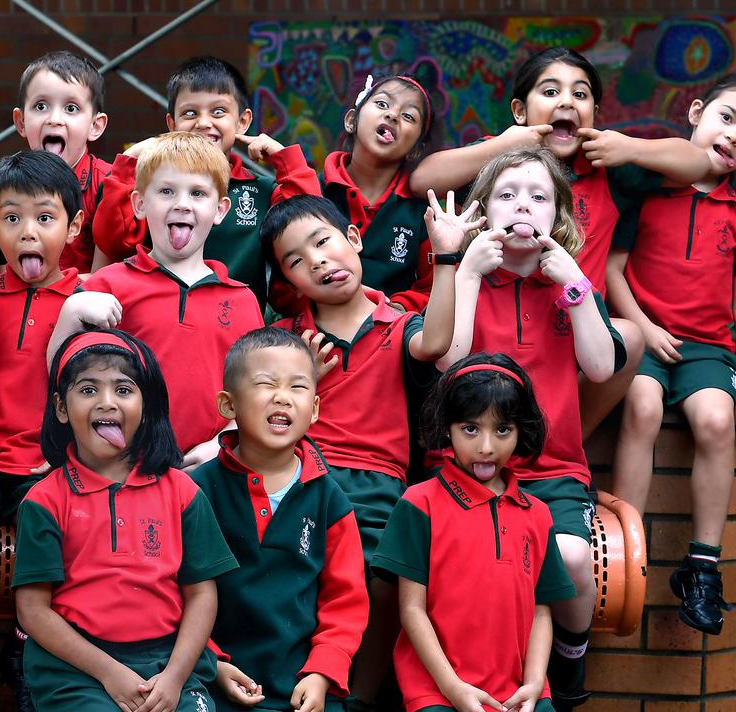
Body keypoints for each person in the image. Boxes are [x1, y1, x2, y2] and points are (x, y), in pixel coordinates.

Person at [411, 46, 712, 438]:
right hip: (490, 327)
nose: (567, 101)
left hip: (568, 330)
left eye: (581, 94)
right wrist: (504, 146)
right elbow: (422, 180)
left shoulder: (607, 168)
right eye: (551, 92)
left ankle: (567, 441)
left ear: (595, 115)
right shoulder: (502, 166)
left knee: (630, 337)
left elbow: (698, 164)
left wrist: (629, 147)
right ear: (520, 111)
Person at [262, 192, 473, 709]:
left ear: (353, 239)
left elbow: (439, 342)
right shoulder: (287, 341)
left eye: (323, 242)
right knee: (291, 571)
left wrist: (446, 257)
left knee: (385, 581)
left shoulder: (400, 324)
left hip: (379, 486)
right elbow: (260, 419)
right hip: (304, 477)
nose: (317, 261)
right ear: (290, 284)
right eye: (297, 261)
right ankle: (287, 688)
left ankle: (358, 698)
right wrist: (301, 379)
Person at [438, 147, 626, 710]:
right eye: (508, 194)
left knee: (571, 557)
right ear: (484, 210)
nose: (523, 205)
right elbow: (449, 359)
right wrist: (467, 269)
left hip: (554, 469)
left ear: (558, 217)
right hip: (469, 466)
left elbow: (600, 367)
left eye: (539, 196)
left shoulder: (567, 285)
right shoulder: (467, 276)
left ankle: (569, 661)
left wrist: (575, 284)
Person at [607, 72, 736, 635]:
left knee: (713, 419)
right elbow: (611, 268)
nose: (734, 138)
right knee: (643, 408)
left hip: (708, 349)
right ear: (696, 112)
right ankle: (623, 545)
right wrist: (641, 325)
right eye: (727, 119)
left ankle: (703, 566)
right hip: (647, 340)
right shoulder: (648, 189)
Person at [14, 329, 238, 711]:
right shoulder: (44, 500)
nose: (107, 403)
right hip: (76, 671)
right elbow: (33, 611)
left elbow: (201, 594)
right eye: (88, 390)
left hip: (169, 664)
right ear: (61, 408)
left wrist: (175, 677)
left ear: (146, 405)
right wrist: (109, 673)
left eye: (123, 389)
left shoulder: (183, 493)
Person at [0, 150, 86, 710]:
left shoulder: (90, 301)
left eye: (44, 218)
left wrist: (63, 455)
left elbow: (96, 396)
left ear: (74, 226)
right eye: (11, 218)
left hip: (47, 465)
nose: (27, 232)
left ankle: (33, 652)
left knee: (46, 520)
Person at [372, 353, 575, 712]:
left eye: (502, 430)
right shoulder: (420, 503)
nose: (486, 446)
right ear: (447, 427)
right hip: (438, 693)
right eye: (470, 428)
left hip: (520, 695)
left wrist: (533, 684)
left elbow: (542, 610)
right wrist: (453, 689)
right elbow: (412, 611)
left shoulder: (539, 515)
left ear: (520, 431)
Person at [51, 131, 264, 472]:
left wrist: (225, 440)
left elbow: (257, 390)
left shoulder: (242, 299)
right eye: (166, 191)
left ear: (221, 209)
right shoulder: (108, 285)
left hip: (211, 470)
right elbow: (60, 373)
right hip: (122, 471)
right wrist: (70, 312)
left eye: (197, 193)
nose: (181, 203)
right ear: (139, 203)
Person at [192, 327, 369, 711]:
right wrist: (212, 662)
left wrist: (322, 672)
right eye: (265, 384)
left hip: (302, 685)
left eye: (297, 388)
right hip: (209, 678)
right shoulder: (194, 492)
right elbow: (174, 592)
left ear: (316, 409)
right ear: (228, 405)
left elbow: (345, 599)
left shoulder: (329, 498)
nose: (282, 398)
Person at [92, 55, 320, 307]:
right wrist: (128, 161)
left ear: (242, 121)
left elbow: (308, 224)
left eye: (218, 111)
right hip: (156, 320)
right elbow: (112, 241)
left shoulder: (260, 190)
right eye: (190, 113)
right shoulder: (150, 188)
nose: (203, 123)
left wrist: (285, 159)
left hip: (238, 328)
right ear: (172, 123)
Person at [320, 74, 438, 313]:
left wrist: (395, 309)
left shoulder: (424, 212)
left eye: (408, 116)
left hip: (391, 334)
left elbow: (431, 287)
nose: (393, 115)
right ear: (352, 120)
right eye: (382, 104)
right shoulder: (314, 190)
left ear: (416, 150)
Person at [10, 51, 111, 273]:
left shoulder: (108, 185)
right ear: (21, 122)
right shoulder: (8, 185)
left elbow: (108, 276)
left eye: (71, 108)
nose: (54, 119)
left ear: (95, 126)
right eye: (41, 106)